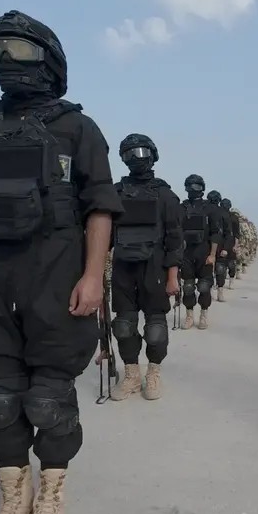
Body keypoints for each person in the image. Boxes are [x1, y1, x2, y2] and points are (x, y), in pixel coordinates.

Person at [0, 9, 124, 514]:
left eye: (17, 49)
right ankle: (13, 488)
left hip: (58, 273)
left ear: (48, 59)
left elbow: (100, 208)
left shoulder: (77, 127)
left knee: (48, 397)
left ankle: (52, 490)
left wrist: (93, 276)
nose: (5, 60)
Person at [108, 133, 182, 402]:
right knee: (123, 326)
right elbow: (103, 235)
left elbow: (175, 240)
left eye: (142, 152)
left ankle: (153, 373)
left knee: (155, 329)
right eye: (130, 154)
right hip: (123, 269)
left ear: (153, 155)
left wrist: (173, 277)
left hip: (156, 269)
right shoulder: (115, 193)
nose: (137, 158)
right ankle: (131, 374)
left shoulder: (165, 195)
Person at [178, 174, 223, 330]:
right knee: (188, 287)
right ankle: (189, 316)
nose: (193, 189)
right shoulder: (182, 208)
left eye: (196, 186)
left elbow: (215, 233)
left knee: (204, 286)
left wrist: (212, 255)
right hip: (186, 253)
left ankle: (203, 315)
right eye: (190, 186)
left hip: (204, 252)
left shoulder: (210, 209)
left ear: (202, 188)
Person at [207, 190, 233, 301]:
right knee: (219, 270)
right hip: (217, 246)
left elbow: (228, 233)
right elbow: (229, 234)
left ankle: (215, 291)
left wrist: (226, 248)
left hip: (212, 246)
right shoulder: (223, 213)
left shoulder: (207, 210)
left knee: (213, 269)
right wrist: (226, 248)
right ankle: (218, 291)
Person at [220, 198, 241, 289]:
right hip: (221, 242)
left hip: (230, 242)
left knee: (231, 264)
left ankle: (231, 280)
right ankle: (220, 283)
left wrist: (236, 245)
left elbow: (236, 233)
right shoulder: (218, 215)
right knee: (221, 265)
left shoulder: (234, 218)